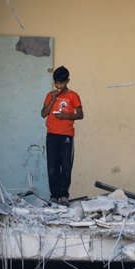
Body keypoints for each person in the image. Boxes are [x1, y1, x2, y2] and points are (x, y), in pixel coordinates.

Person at [40, 66, 84, 206]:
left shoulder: (73, 96)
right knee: (52, 167)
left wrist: (65, 116)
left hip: (66, 135)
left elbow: (80, 114)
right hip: (51, 135)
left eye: (62, 83)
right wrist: (52, 100)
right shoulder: (50, 95)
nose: (59, 86)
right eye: (56, 83)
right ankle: (54, 196)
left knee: (65, 166)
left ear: (68, 81)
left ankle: (64, 195)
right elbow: (43, 114)